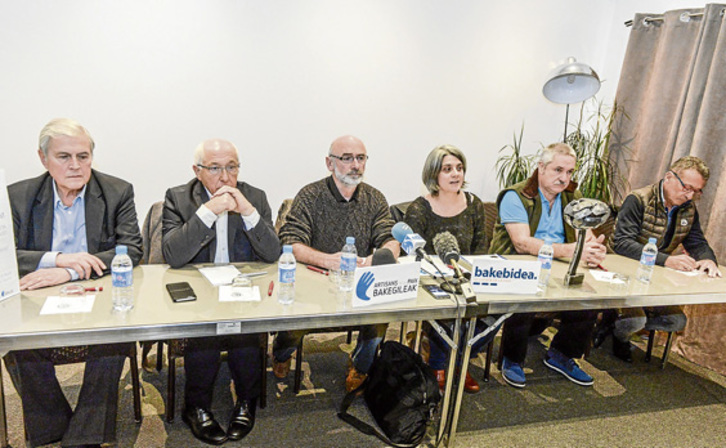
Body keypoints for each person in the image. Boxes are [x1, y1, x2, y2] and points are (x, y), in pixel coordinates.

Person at [5, 118, 143, 448]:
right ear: (43, 158)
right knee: (17, 344)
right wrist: (58, 259)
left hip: (97, 291)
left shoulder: (116, 191)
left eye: (83, 156)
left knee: (114, 338)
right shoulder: (18, 196)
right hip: (39, 296)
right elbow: (5, 254)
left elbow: (132, 249)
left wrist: (71, 272)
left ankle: (83, 438)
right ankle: (53, 427)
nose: (75, 165)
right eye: (64, 156)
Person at [162, 138, 280, 445]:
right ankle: (196, 406)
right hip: (199, 290)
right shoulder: (178, 197)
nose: (225, 177)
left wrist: (249, 212)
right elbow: (173, 255)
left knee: (246, 333)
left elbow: (272, 253)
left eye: (232, 167)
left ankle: (246, 401)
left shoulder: (254, 196)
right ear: (197, 171)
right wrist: (208, 211)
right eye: (215, 168)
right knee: (206, 334)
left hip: (242, 289)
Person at [273, 135, 400, 392]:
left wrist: (375, 259)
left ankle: (361, 365)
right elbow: (290, 242)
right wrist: (328, 260)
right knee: (294, 321)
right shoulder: (310, 195)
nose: (356, 165)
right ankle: (280, 353)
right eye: (347, 158)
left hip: (356, 280)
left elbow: (391, 238)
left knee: (380, 317)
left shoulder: (375, 198)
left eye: (361, 158)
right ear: (329, 163)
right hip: (314, 279)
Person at [489, 142, 606, 388]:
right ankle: (512, 359)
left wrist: (594, 250)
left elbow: (586, 236)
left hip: (558, 265)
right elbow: (521, 243)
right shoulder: (516, 196)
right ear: (541, 168)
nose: (564, 178)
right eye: (558, 170)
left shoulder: (571, 197)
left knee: (589, 298)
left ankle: (561, 355)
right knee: (524, 296)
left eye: (569, 172)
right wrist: (570, 250)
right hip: (519, 265)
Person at [601, 156, 721, 362]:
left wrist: (708, 259)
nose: (690, 195)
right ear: (669, 177)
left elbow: (697, 242)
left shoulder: (688, 208)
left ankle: (615, 323)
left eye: (696, 191)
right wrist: (667, 260)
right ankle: (620, 333)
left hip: (654, 277)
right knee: (635, 321)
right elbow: (622, 243)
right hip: (621, 272)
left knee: (677, 321)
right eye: (687, 187)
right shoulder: (638, 199)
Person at [404, 144, 496, 393]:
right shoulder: (419, 209)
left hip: (466, 276)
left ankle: (459, 361)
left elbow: (480, 249)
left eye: (459, 168)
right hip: (432, 282)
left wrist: (473, 276)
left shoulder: (474, 204)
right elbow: (412, 257)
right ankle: (438, 366)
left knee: (496, 313)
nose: (456, 174)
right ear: (433, 174)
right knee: (449, 314)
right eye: (447, 169)